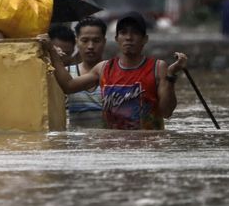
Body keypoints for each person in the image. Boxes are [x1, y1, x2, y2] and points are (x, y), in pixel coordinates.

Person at [46, 11, 187, 130]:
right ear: (117, 38)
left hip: (147, 149)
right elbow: (68, 86)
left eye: (135, 33)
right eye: (123, 32)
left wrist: (171, 75)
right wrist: (52, 51)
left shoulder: (157, 67)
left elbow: (166, 112)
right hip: (113, 147)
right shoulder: (104, 68)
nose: (129, 38)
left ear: (145, 39)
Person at [64, 17, 108, 128]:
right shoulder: (66, 74)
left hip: (106, 142)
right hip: (75, 143)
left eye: (96, 41)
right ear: (76, 41)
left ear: (104, 42)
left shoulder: (114, 73)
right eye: (85, 40)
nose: (90, 46)